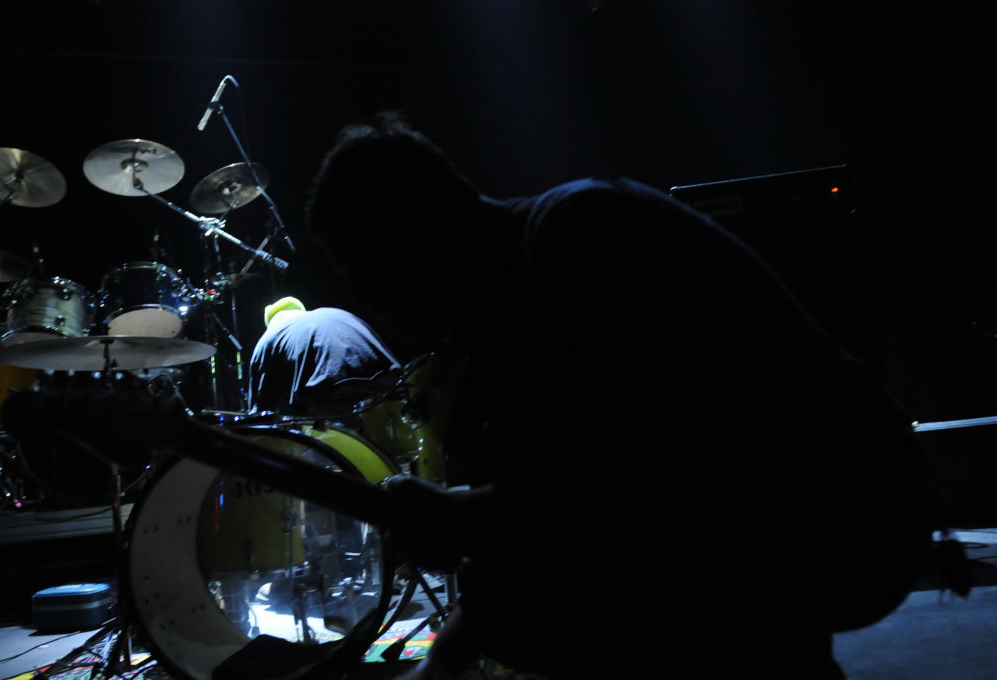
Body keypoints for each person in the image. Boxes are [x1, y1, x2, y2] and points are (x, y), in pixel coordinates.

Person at [305, 111, 941, 678]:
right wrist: (444, 659)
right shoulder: (493, 329)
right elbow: (555, 525)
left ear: (410, 218)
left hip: (848, 503)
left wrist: (467, 517)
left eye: (359, 267)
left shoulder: (583, 231)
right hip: (761, 522)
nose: (365, 298)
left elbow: (676, 460)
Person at [247, 297, 402, 418]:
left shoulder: (268, 338)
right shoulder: (334, 313)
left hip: (334, 394)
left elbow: (261, 414)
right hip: (389, 382)